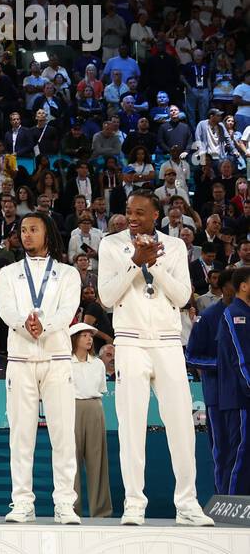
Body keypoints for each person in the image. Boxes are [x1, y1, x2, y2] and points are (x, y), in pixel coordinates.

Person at [97, 192, 213, 525]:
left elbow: (181, 297)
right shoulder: (111, 245)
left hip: (167, 342)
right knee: (131, 426)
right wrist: (135, 263)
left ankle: (187, 504)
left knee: (181, 425)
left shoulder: (175, 247)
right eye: (128, 212)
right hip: (130, 342)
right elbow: (106, 298)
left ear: (156, 215)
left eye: (140, 212)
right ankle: (134, 504)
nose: (132, 218)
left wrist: (154, 264)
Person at [0, 212, 82, 524]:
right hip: (20, 359)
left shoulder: (68, 273)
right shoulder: (8, 273)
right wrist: (23, 324)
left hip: (57, 359)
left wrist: (43, 326)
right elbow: (5, 309)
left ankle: (64, 503)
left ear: (48, 233)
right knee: (21, 436)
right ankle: (21, 503)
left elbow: (68, 310)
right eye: (23, 230)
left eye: (33, 229)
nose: (27, 234)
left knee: (63, 436)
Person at [187, 273, 234, 495]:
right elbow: (192, 356)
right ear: (225, 288)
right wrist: (223, 364)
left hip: (243, 395)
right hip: (217, 396)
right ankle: (223, 496)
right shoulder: (208, 317)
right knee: (221, 449)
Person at [69, 323, 112, 517]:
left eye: (90, 335)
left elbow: (101, 389)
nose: (89, 339)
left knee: (98, 461)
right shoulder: (65, 363)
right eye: (84, 335)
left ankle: (101, 510)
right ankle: (71, 508)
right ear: (75, 339)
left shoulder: (98, 364)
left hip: (95, 408)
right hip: (72, 407)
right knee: (71, 461)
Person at [214, 267, 250, 496]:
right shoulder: (234, 313)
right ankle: (230, 501)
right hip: (240, 396)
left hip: (243, 394)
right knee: (239, 451)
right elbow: (239, 355)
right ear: (244, 286)